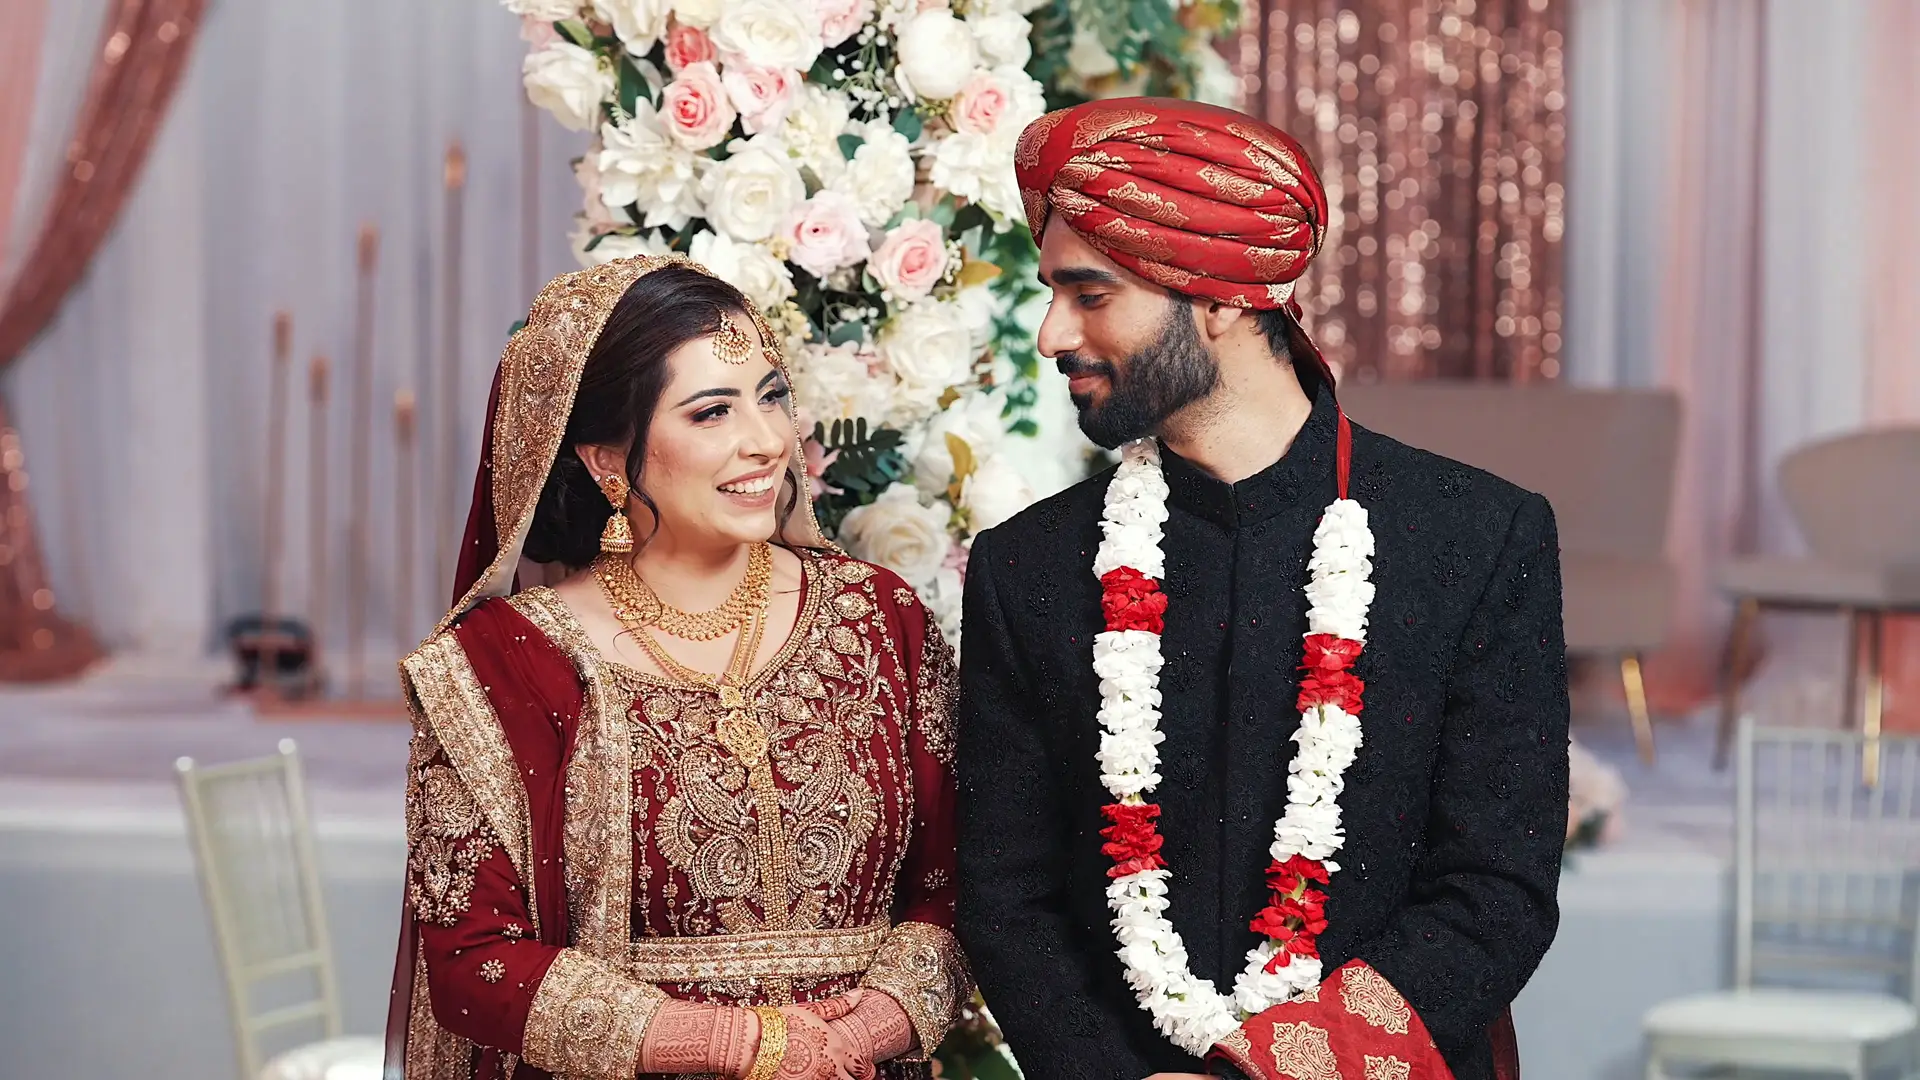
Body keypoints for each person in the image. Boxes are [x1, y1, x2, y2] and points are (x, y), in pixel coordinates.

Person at [955, 99, 1568, 1080]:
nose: (1051, 334)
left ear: (1221, 299)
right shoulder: (1028, 567)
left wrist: (1272, 1072)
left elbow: (1496, 891)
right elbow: (1006, 897)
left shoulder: (1478, 537)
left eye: (1090, 294)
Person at [386, 256, 969, 1080]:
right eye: (712, 412)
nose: (767, 440)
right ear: (606, 460)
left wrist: (870, 1027)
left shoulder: (879, 617)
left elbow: (958, 884)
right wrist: (744, 1046)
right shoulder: (506, 665)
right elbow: (473, 960)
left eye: (772, 395)